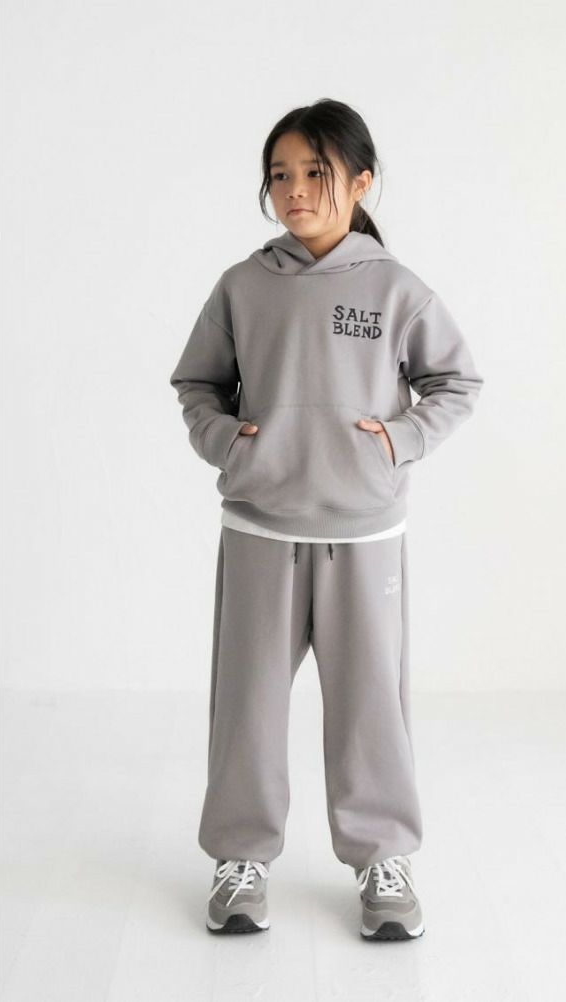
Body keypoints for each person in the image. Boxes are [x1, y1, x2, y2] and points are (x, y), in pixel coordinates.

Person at [169, 98, 484, 940]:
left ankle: (383, 860)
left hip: (364, 534)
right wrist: (227, 443)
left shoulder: (396, 288)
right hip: (261, 530)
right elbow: (196, 383)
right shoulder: (242, 286)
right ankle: (240, 860)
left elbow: (456, 382)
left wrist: (400, 441)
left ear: (362, 180)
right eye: (280, 175)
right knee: (247, 707)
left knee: (371, 705)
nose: (296, 190)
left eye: (316, 172)